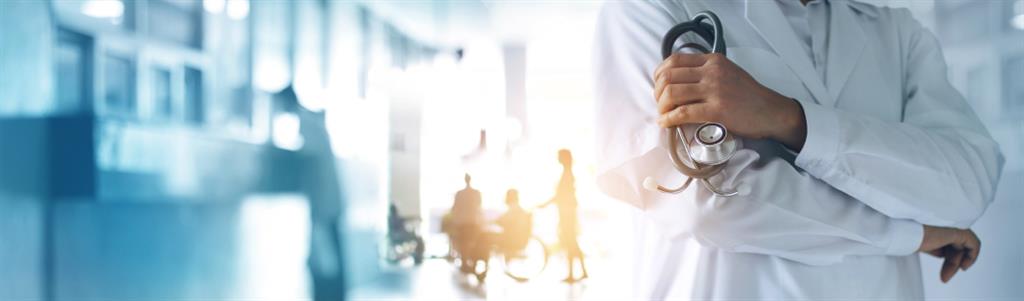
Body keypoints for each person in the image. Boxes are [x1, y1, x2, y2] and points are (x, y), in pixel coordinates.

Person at [593, 1, 1004, 300]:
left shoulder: (898, 31)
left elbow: (967, 185)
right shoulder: (647, 8)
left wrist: (789, 118)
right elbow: (707, 206)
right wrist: (909, 233)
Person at [540, 149, 589, 283]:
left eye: (559, 156)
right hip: (567, 213)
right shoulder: (567, 173)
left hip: (567, 214)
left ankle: (572, 274)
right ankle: (581, 272)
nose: (557, 158)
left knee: (570, 242)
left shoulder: (567, 175)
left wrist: (544, 204)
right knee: (572, 242)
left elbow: (561, 195)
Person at [448, 173, 485, 271]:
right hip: (473, 222)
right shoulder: (476, 193)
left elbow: (454, 209)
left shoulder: (459, 193)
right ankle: (471, 262)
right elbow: (479, 207)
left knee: (463, 243)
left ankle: (465, 263)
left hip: (463, 223)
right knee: (471, 243)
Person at [495, 189, 532, 254]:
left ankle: (483, 259)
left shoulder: (513, 209)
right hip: (519, 239)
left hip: (511, 240)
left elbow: (503, 221)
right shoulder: (519, 209)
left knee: (485, 237)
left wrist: (496, 221)